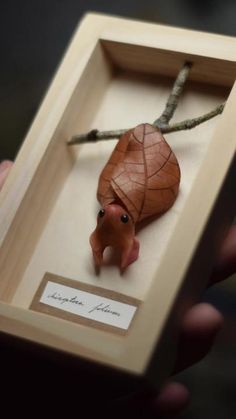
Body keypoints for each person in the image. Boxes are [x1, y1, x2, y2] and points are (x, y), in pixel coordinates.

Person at [0, 159, 235, 417]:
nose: (107, 215)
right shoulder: (102, 225)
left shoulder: (131, 229)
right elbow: (96, 241)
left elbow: (129, 246)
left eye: (121, 216)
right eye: (102, 213)